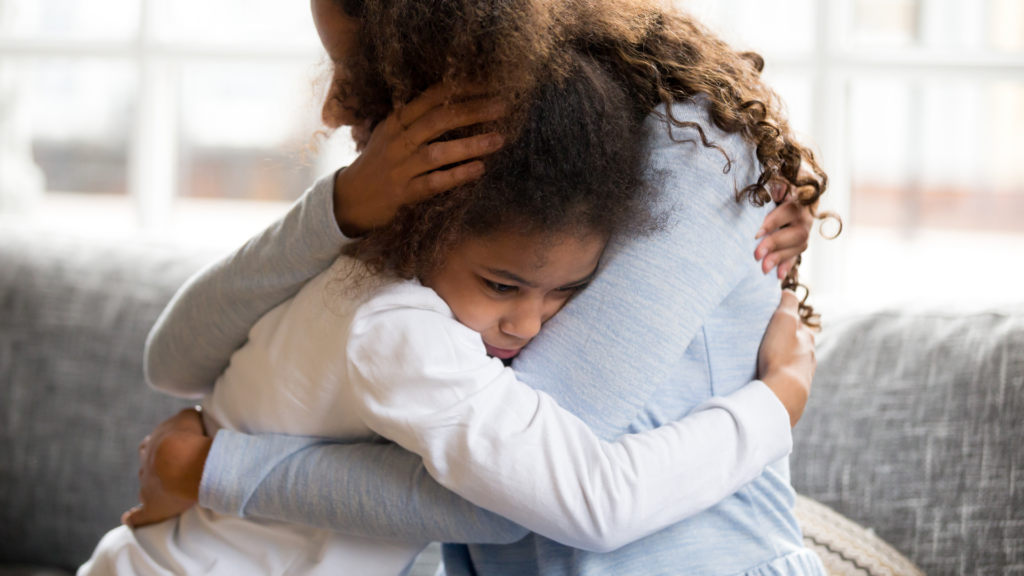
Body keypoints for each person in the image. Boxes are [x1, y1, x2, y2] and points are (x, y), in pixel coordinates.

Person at [124, 0, 831, 574]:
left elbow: (539, 492)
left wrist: (222, 469)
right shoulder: (453, 205)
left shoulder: (691, 144)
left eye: (358, 70)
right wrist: (339, 207)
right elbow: (171, 361)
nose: (333, 111)